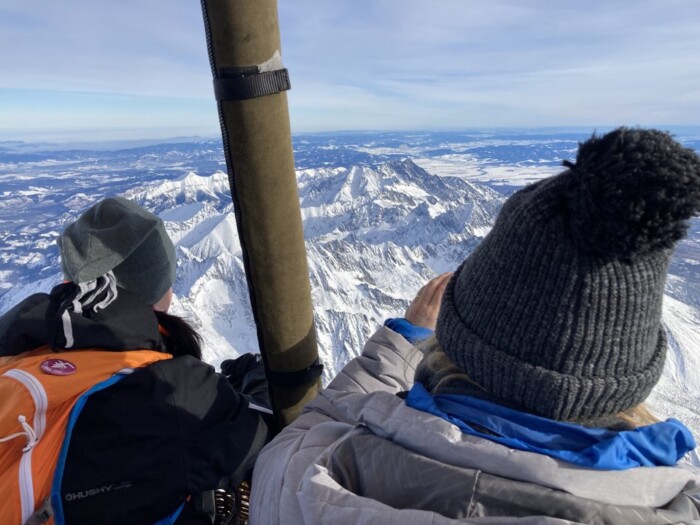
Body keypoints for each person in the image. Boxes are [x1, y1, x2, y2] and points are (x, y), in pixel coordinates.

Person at [249, 128, 700, 524]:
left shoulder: (307, 480)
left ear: (455, 343)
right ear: (627, 378)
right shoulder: (680, 505)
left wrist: (404, 339)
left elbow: (312, 425)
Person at [0, 197, 270, 525]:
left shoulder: (18, 349)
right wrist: (258, 377)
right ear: (156, 287)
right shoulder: (174, 391)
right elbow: (270, 438)